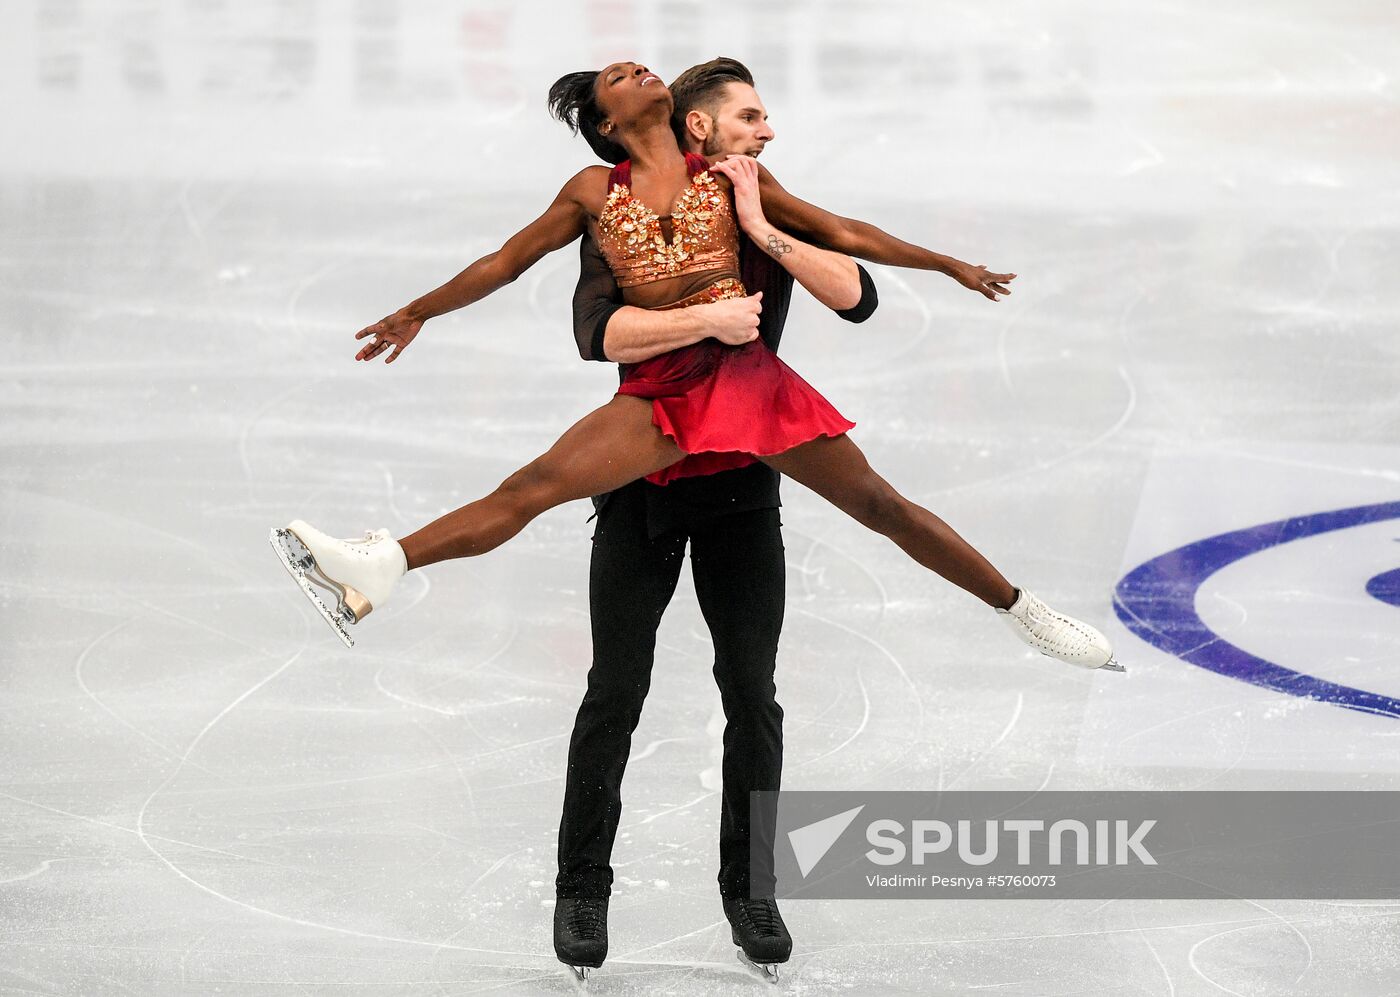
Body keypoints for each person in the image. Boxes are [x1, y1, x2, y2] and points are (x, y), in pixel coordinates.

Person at [269, 56, 1123, 971]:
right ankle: (391, 575)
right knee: (564, 564)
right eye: (619, 78)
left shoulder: (734, 174)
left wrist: (944, 262)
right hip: (660, 414)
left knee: (861, 532)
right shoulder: (594, 192)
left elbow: (845, 236)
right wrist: (419, 310)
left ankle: (1018, 610)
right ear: (607, 120)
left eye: (642, 66)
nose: (638, 69)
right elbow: (511, 266)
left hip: (746, 415)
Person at [554, 57, 882, 980]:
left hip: (741, 486)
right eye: (749, 117)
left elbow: (860, 296)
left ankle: (753, 888)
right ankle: (581, 884)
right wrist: (700, 324)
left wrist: (756, 227)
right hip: (643, 485)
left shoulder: (761, 209)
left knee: (752, 689)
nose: (765, 133)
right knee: (615, 691)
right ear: (695, 129)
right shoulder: (618, 214)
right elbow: (593, 332)